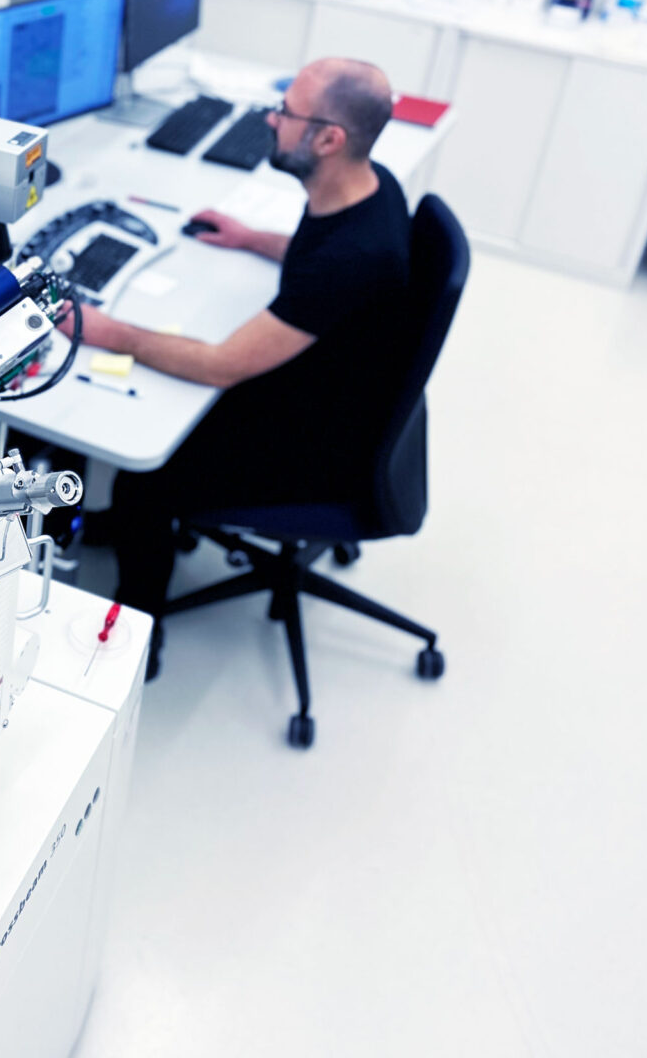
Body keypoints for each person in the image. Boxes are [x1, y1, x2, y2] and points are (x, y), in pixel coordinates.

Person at [56, 57, 410, 677]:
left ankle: (140, 636)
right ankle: (115, 531)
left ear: (328, 139)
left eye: (286, 113)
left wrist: (105, 330)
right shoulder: (362, 188)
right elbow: (314, 256)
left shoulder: (351, 258)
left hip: (321, 443)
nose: (271, 120)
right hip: (337, 384)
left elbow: (223, 366)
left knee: (145, 472)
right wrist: (253, 238)